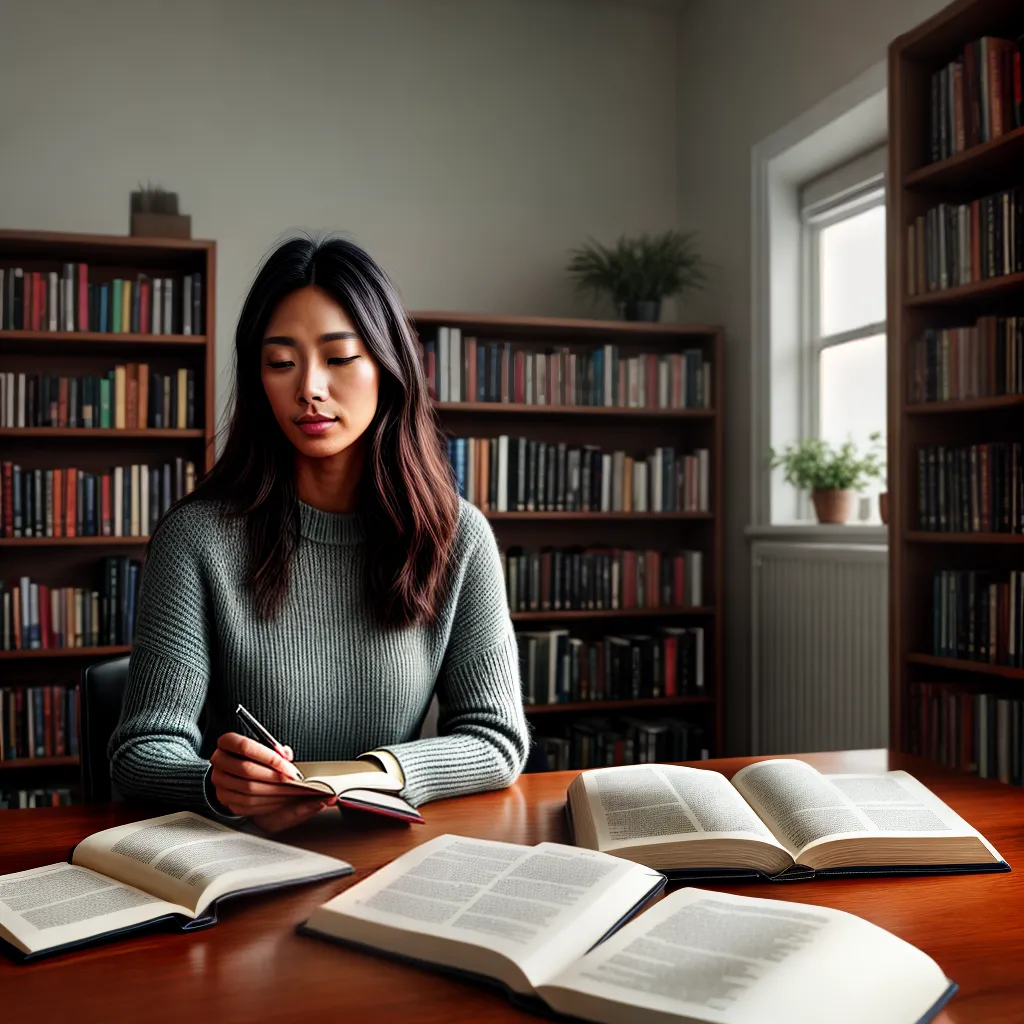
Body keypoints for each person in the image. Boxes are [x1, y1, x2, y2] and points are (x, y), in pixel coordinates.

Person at [108, 236, 529, 831]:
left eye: (338, 358)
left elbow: (495, 739)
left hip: (385, 852)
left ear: (388, 365)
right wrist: (217, 783)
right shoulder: (197, 538)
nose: (309, 387)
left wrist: (375, 774)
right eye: (281, 362)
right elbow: (139, 751)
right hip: (241, 857)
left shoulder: (455, 536)